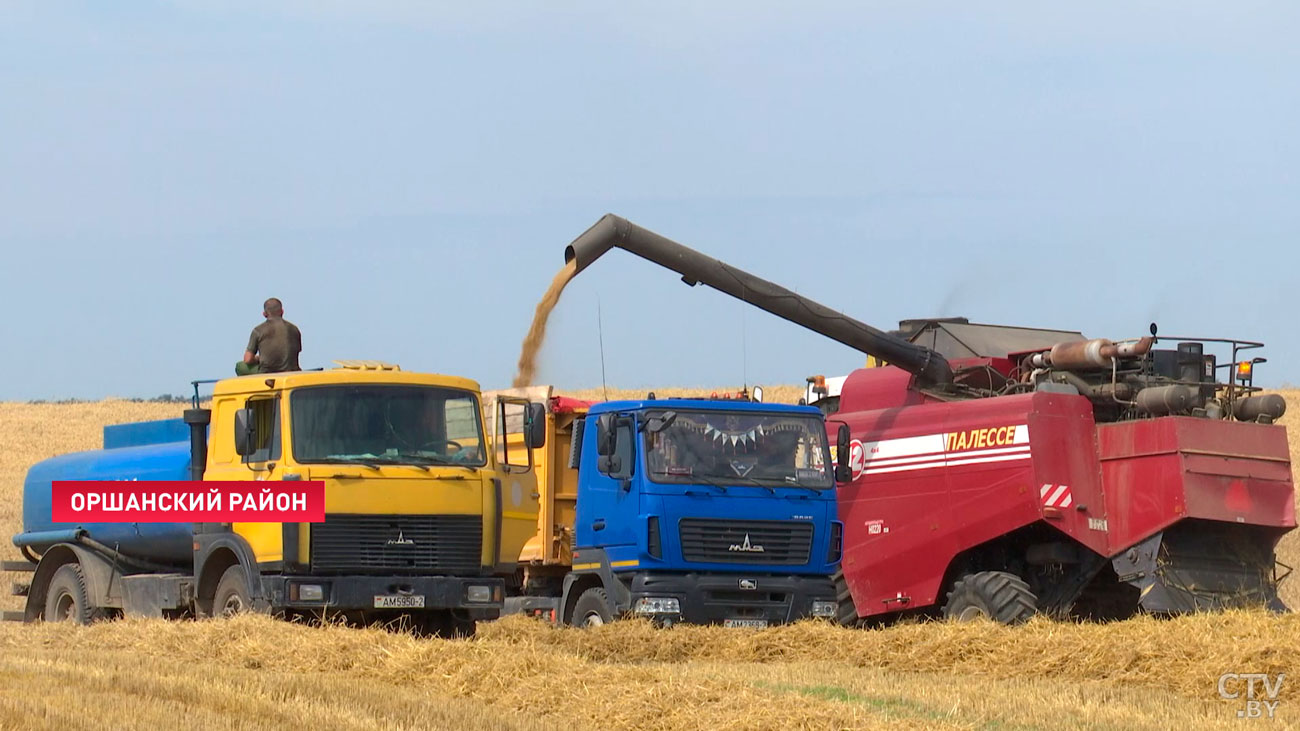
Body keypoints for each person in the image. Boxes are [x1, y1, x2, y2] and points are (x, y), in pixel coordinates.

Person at [236, 297, 302, 376]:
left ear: (264, 314)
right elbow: (296, 351)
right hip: (291, 370)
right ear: (282, 311)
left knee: (240, 366)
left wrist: (259, 358)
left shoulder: (258, 330)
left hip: (267, 372)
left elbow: (248, 359)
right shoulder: (294, 329)